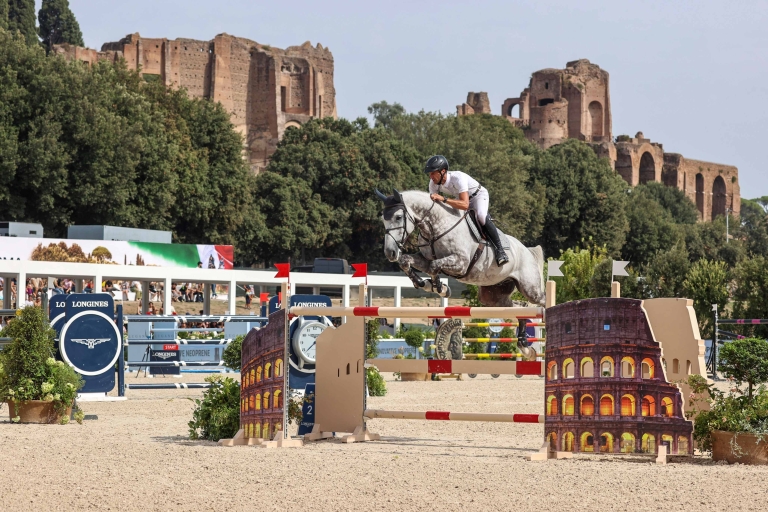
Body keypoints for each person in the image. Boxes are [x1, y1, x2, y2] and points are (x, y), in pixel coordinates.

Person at [424, 155, 509, 266]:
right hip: (461, 199)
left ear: (443, 171)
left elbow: (465, 205)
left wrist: (444, 199)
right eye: (429, 174)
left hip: (478, 196)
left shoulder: (458, 177)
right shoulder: (433, 184)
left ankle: (500, 251)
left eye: (433, 173)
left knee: (481, 217)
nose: (431, 177)